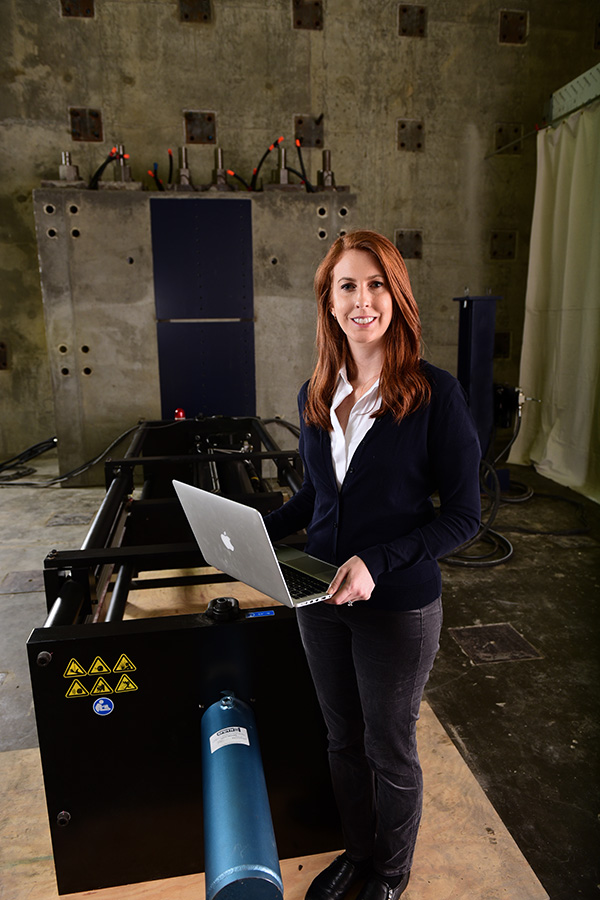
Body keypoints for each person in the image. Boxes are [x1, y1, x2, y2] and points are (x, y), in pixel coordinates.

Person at [264, 230, 481, 900]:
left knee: (389, 747)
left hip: (396, 604)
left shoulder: (434, 394)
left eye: (377, 283)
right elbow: (317, 496)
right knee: (342, 739)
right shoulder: (317, 390)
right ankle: (358, 855)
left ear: (397, 294)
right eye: (348, 286)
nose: (363, 300)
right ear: (328, 303)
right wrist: (250, 532)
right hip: (318, 595)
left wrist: (377, 563)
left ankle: (389, 874)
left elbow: (464, 516)